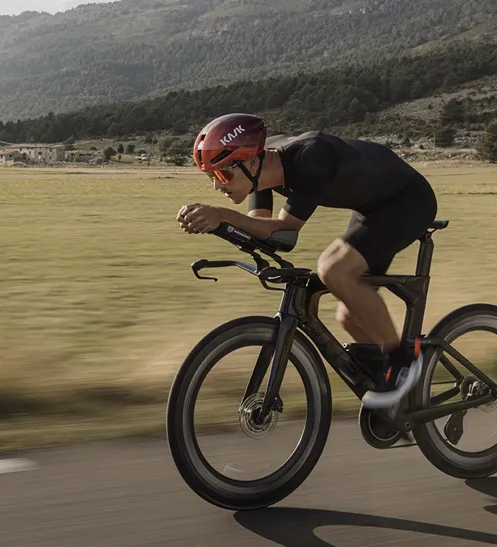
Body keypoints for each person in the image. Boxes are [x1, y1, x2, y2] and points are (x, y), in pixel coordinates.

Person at [177, 113, 438, 409]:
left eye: (223, 175)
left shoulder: (311, 157)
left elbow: (286, 232)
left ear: (250, 163)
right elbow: (261, 230)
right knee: (349, 315)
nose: (217, 187)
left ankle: (405, 361)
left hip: (408, 201)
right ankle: (393, 402)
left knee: (333, 269)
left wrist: (221, 214)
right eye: (212, 177)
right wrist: (218, 226)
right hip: (372, 208)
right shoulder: (260, 171)